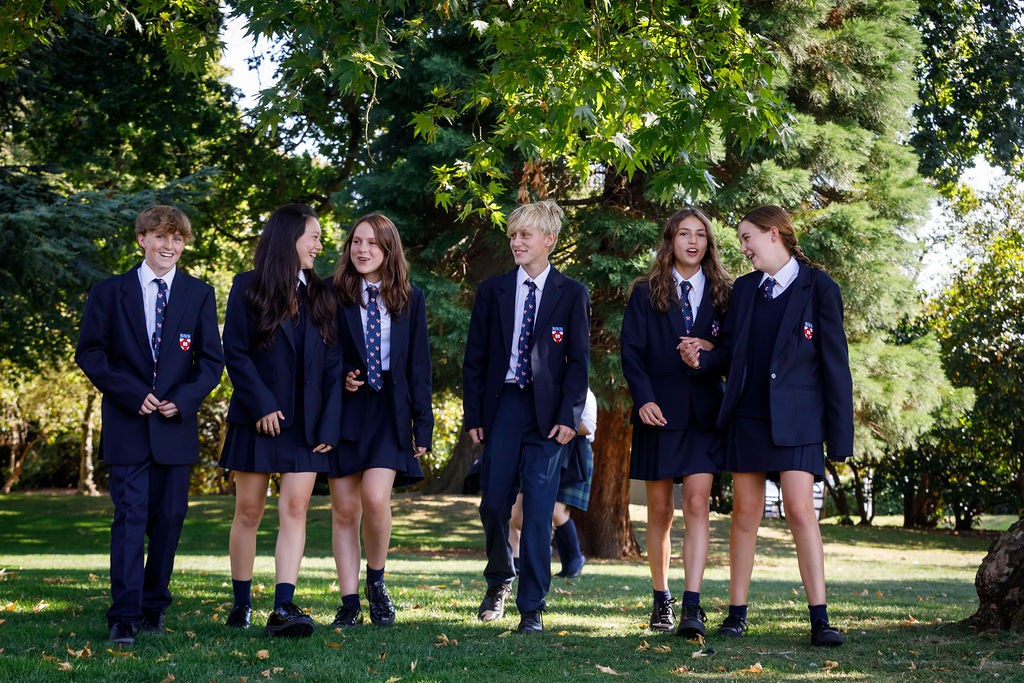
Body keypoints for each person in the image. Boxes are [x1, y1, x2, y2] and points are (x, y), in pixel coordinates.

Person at [682, 205, 853, 647]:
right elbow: (731, 353)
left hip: (799, 422)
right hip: (747, 417)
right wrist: (702, 357)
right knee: (745, 514)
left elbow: (836, 367)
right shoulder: (744, 290)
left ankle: (820, 619)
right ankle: (736, 614)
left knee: (801, 512)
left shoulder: (820, 288)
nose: (742, 248)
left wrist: (840, 437)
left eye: (746, 238)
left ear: (773, 235)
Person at [75, 205, 224, 646]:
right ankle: (123, 615)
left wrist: (182, 400)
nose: (169, 246)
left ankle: (154, 606)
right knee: (130, 519)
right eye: (161, 237)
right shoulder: (108, 292)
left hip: (174, 428)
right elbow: (91, 353)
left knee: (169, 519)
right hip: (127, 425)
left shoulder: (199, 294)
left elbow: (211, 362)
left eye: (177, 239)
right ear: (141, 239)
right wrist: (127, 392)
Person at [463, 199, 591, 634]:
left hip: (550, 418)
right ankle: (500, 578)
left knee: (538, 510)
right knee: (495, 503)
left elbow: (578, 363)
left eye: (525, 235)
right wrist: (474, 415)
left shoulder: (572, 294)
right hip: (502, 410)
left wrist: (570, 416)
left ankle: (532, 606)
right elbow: (474, 360)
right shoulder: (492, 291)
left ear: (548, 241)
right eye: (513, 235)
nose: (516, 242)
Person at [219, 204, 342, 637]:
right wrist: (262, 405)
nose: (319, 244)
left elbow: (332, 364)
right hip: (256, 418)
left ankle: (283, 605)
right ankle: (240, 604)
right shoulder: (247, 286)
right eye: (313, 236)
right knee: (249, 510)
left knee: (296, 508)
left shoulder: (322, 293)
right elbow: (234, 351)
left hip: (307, 426)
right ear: (289, 237)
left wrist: (328, 424)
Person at [620, 207, 732, 639]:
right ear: (670, 241)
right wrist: (643, 399)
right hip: (658, 411)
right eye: (684, 234)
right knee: (661, 512)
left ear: (708, 243)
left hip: (705, 413)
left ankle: (692, 605)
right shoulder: (645, 292)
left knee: (699, 503)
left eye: (700, 235)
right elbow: (631, 352)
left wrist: (708, 350)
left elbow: (733, 354)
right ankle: (661, 599)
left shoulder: (725, 293)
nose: (692, 242)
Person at [327, 213, 433, 628]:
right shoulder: (333, 295)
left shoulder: (410, 297)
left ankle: (376, 581)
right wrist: (341, 379)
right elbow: (320, 355)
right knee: (345, 509)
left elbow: (419, 365)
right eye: (356, 242)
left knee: (374, 499)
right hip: (345, 408)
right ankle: (349, 601)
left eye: (372, 243)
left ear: (389, 250)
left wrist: (422, 425)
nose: (362, 250)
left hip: (390, 407)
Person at [509, 387, 597, 579]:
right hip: (542, 451)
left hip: (575, 454)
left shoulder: (584, 394)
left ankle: (574, 558)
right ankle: (531, 557)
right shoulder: (545, 391)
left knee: (557, 512)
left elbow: (587, 428)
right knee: (517, 516)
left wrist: (557, 418)